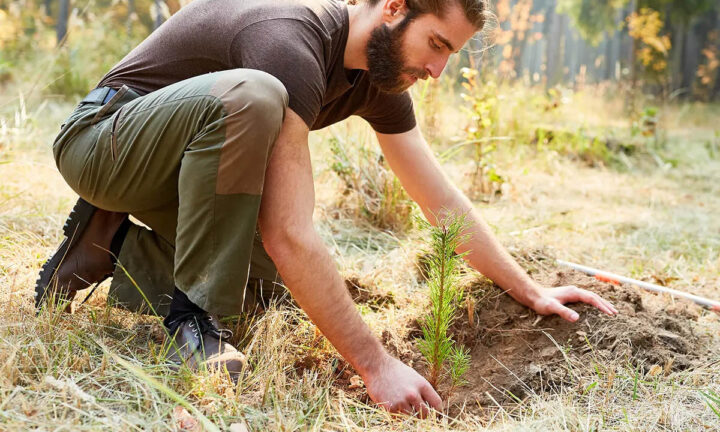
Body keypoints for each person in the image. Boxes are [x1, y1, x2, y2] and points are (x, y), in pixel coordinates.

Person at [36, 0, 618, 416]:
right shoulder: (289, 39)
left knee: (272, 294)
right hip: (103, 142)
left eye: (451, 55)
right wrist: (376, 365)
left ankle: (108, 246)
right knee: (256, 96)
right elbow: (290, 231)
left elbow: (437, 196)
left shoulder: (379, 79)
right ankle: (194, 321)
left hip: (181, 171)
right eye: (437, 44)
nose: (438, 71)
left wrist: (530, 289)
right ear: (393, 8)